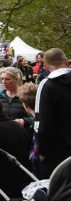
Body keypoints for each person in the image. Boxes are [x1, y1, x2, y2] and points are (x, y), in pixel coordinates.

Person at [35, 48, 71, 178]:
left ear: (45, 65)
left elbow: (42, 120)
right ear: (66, 61)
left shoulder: (47, 85)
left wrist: (41, 150)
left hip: (56, 150)